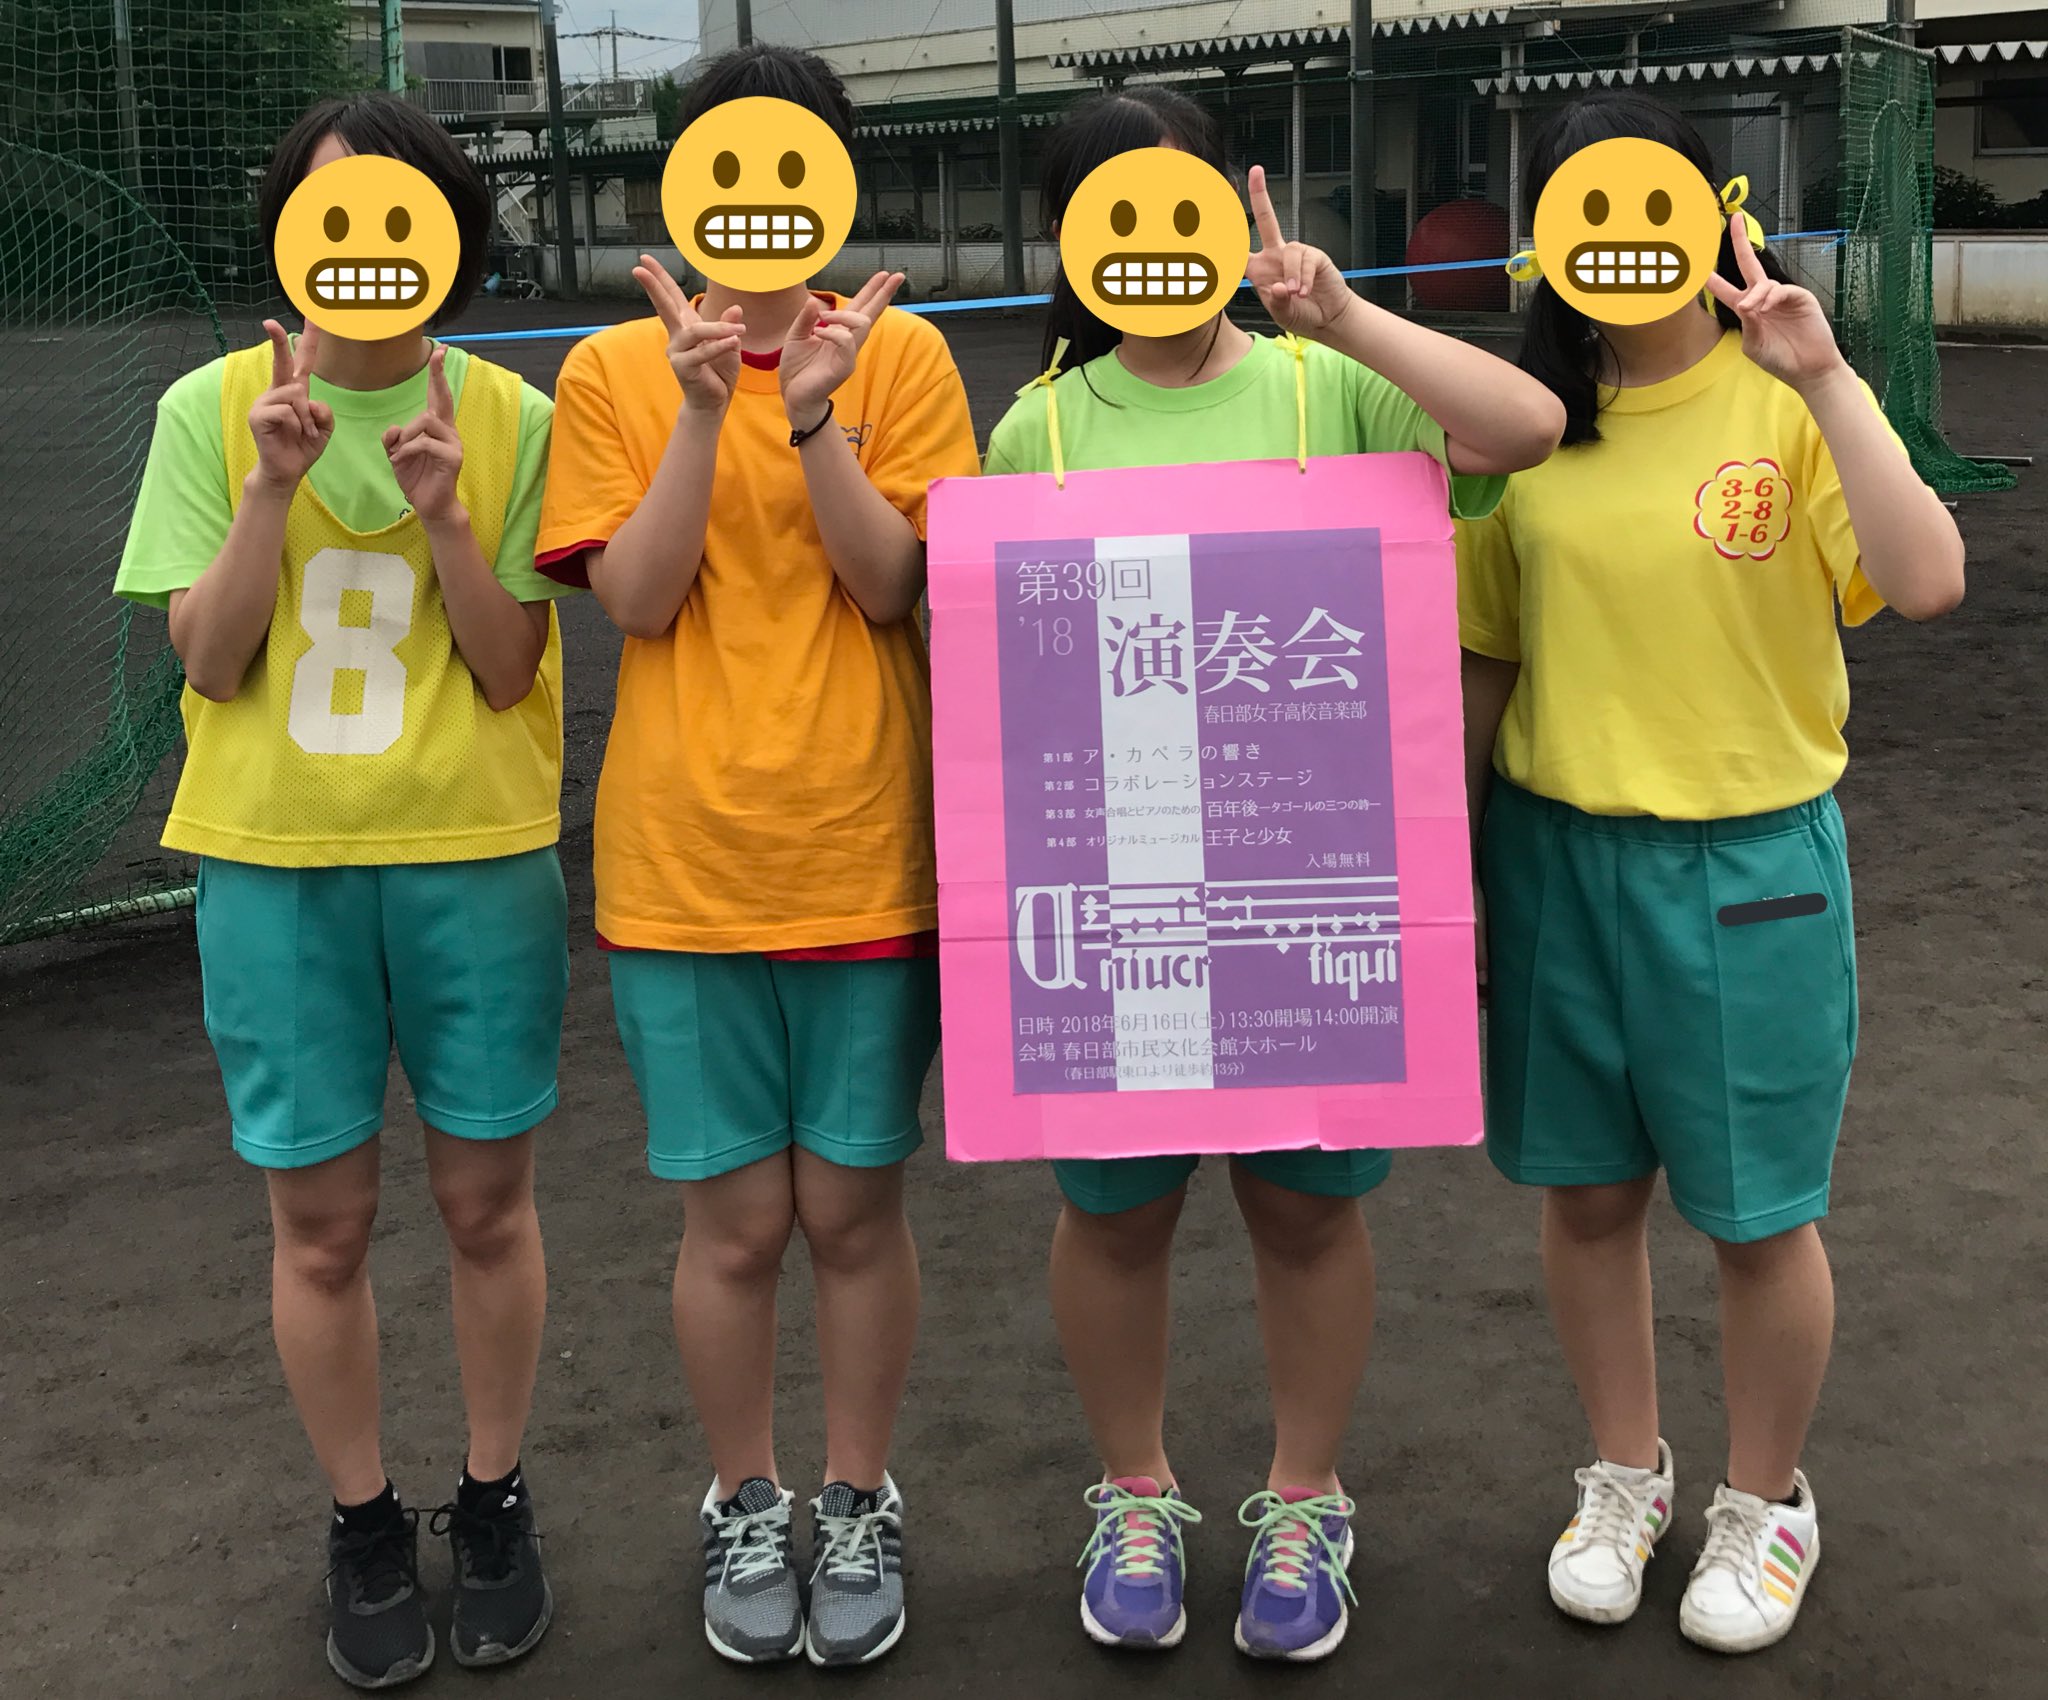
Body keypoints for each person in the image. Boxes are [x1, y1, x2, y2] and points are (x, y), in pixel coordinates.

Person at [982, 88, 1565, 1663]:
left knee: (1305, 1210)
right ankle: (1135, 1491)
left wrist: (1344, 309)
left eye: (1182, 206)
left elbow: (1522, 431)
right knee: (1114, 1213)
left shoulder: (1330, 385)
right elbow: (1010, 682)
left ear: (1233, 218)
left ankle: (1306, 1496)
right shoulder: (1040, 427)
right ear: (1072, 242)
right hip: (1121, 890)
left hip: (1314, 878)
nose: (1156, 245)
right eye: (1114, 213)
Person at [1457, 93, 1965, 1654]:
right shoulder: (1521, 432)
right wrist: (1450, 873)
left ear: (1711, 215)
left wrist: (1828, 376)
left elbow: (1928, 579)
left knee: (1757, 1218)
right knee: (1589, 1198)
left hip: (1751, 866)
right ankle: (1627, 1474)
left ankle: (1765, 1499)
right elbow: (1486, 660)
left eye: (1651, 204)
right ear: (1548, 240)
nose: (1622, 241)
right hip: (1558, 856)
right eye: (1587, 211)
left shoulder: (1785, 400)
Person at [113, 94, 571, 1689]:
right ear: (288, 239)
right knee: (319, 1227)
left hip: (475, 860)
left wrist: (445, 513)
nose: (369, 246)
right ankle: (364, 1520)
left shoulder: (511, 416)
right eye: (334, 214)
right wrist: (267, 487)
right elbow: (210, 657)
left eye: (402, 213)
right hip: (276, 868)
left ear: (452, 238)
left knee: (485, 1205)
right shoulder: (209, 408)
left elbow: (507, 668)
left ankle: (495, 1498)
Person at [534, 43, 979, 1670]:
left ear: (835, 179)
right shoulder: (611, 369)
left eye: (794, 163)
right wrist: (703, 408)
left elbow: (892, 586)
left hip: (866, 848)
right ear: (683, 182)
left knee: (853, 1216)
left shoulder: (902, 353)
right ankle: (744, 1498)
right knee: (729, 1229)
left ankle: (856, 1500)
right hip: (685, 866)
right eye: (725, 162)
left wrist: (814, 420)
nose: (760, 198)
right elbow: (640, 602)